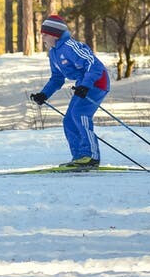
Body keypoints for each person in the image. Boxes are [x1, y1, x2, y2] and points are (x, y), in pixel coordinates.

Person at [29, 15, 110, 167]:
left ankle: (91, 156)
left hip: (97, 82)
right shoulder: (53, 53)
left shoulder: (70, 47)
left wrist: (86, 85)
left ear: (54, 34)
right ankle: (79, 157)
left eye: (45, 35)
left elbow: (94, 65)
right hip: (83, 84)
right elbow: (57, 78)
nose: (43, 38)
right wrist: (44, 94)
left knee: (79, 114)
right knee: (69, 120)